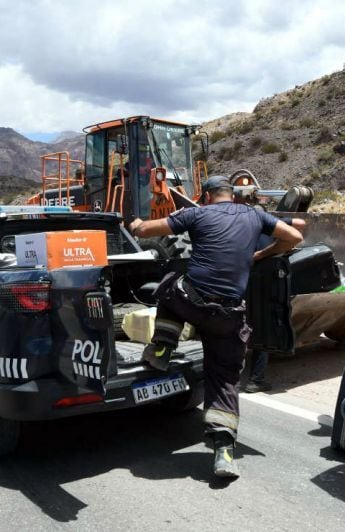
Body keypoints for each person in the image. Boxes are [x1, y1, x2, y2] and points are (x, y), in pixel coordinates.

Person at [129, 175, 303, 478]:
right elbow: (294, 238)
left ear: (206, 196)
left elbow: (146, 230)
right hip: (229, 316)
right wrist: (260, 255)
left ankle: (161, 349)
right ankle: (223, 451)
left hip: (191, 304)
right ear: (231, 194)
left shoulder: (196, 213)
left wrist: (134, 224)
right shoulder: (254, 214)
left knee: (168, 285)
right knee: (223, 379)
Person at [244, 216, 306, 394]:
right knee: (266, 322)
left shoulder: (240, 224)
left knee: (252, 322)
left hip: (249, 276)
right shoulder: (269, 223)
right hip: (269, 277)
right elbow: (300, 224)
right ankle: (256, 379)